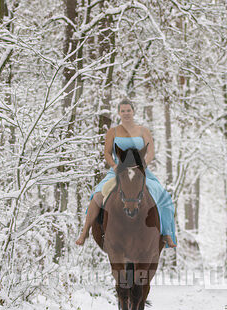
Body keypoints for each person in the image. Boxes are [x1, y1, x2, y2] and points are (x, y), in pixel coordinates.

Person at [76, 98, 177, 248]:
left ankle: (166, 233)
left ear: (133, 111)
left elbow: (150, 152)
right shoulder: (113, 132)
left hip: (141, 173)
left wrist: (143, 165)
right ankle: (84, 232)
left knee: (163, 196)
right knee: (97, 195)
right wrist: (114, 166)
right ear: (119, 113)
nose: (126, 113)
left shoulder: (143, 131)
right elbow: (107, 153)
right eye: (123, 111)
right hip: (118, 172)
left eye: (128, 110)